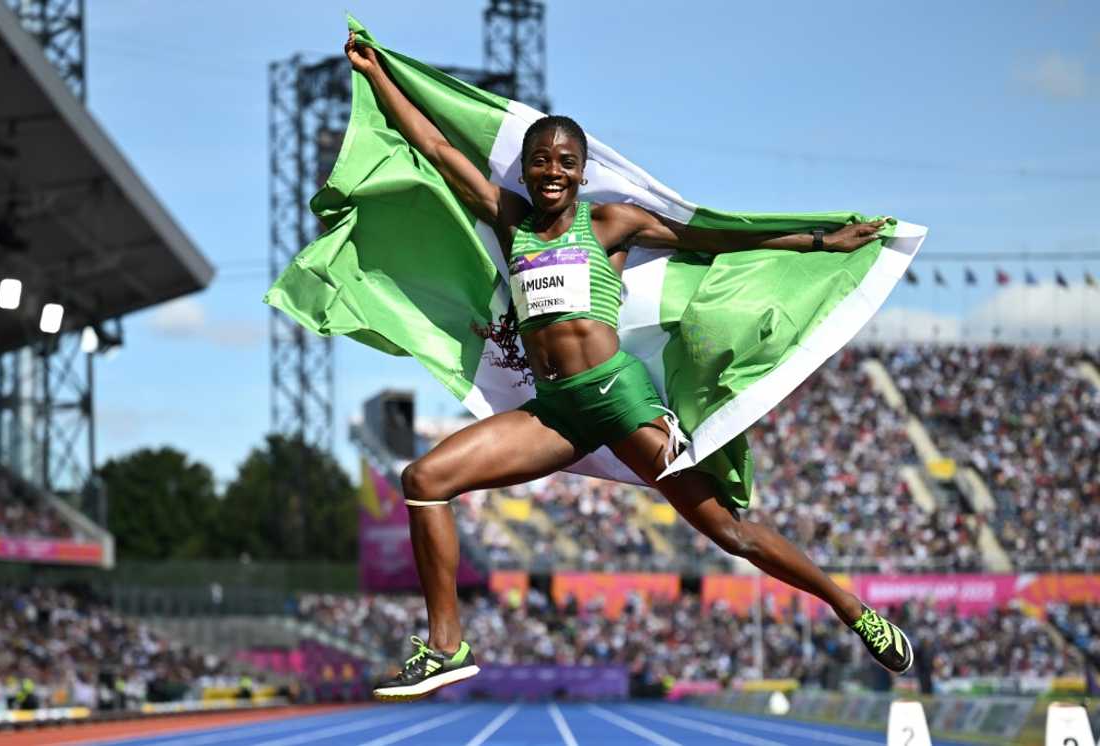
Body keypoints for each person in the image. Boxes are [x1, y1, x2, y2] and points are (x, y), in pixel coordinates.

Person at [344, 30, 913, 703]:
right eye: (539, 161)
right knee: (425, 479)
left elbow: (715, 232)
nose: (551, 171)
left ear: (581, 172)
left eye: (564, 161)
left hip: (620, 399)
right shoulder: (512, 225)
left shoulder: (610, 224)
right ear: (524, 171)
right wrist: (380, 76)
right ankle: (446, 647)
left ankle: (854, 609)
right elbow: (437, 150)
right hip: (553, 413)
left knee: (731, 532)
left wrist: (822, 239)